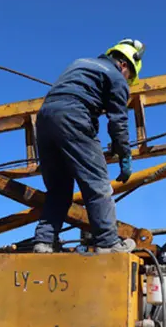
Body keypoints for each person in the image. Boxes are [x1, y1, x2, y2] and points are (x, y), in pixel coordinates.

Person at [32, 39, 145, 254]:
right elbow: (118, 121)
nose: (127, 80)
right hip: (73, 118)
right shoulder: (116, 78)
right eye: (129, 76)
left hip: (44, 120)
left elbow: (72, 97)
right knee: (98, 183)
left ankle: (44, 242)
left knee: (58, 190)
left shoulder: (80, 63)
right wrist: (124, 155)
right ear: (124, 65)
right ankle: (108, 243)